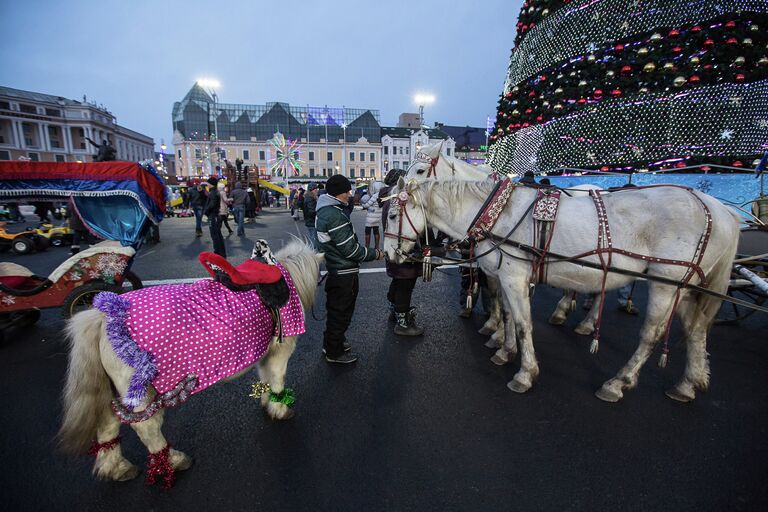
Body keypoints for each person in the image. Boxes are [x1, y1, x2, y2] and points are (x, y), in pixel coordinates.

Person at [316, 174, 383, 363]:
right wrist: (375, 254)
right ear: (340, 193)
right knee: (341, 312)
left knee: (336, 310)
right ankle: (334, 352)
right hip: (343, 272)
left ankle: (331, 343)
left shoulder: (326, 211)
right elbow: (350, 250)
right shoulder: (335, 215)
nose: (349, 194)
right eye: (347, 191)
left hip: (336, 269)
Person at [379, 169, 425, 336]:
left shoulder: (389, 198)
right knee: (405, 285)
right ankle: (403, 324)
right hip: (402, 248)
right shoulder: (397, 199)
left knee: (398, 283)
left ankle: (395, 313)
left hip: (394, 247)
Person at [203, 177, 226, 257]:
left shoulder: (213, 193)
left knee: (215, 235)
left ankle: (218, 253)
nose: (207, 185)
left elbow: (212, 204)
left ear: (211, 184)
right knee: (217, 234)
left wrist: (206, 210)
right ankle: (221, 252)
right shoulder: (215, 192)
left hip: (213, 216)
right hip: (216, 215)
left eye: (208, 183)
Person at [360, 181, 383, 248]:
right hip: (378, 216)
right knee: (376, 231)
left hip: (371, 217)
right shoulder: (382, 195)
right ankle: (377, 247)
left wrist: (363, 205)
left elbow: (367, 205)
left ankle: (367, 247)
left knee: (367, 231)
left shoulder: (375, 195)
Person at [302, 183, 319, 249]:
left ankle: (314, 252)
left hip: (310, 221)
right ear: (312, 190)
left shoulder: (309, 197)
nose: (317, 190)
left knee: (313, 237)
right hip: (312, 221)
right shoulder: (310, 198)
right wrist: (319, 212)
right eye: (315, 189)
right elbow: (311, 211)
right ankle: (314, 253)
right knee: (314, 239)